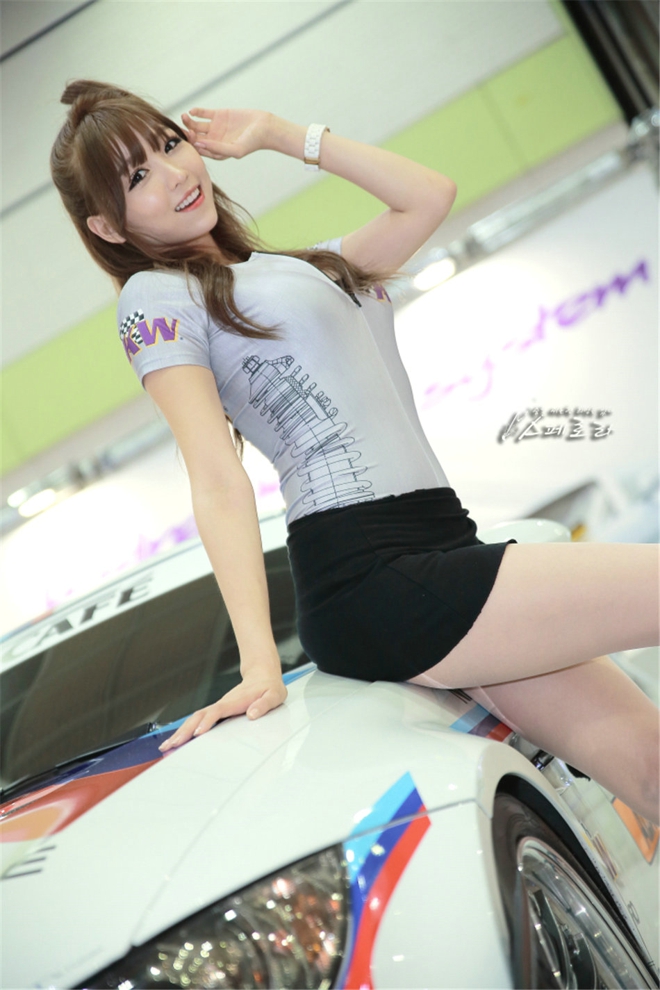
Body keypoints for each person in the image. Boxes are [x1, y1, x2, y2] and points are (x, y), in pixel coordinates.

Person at [51, 80, 659, 824]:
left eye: (170, 144)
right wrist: (258, 662)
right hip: (372, 570)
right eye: (139, 176)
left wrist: (279, 133)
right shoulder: (154, 297)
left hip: (437, 543)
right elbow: (215, 476)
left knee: (650, 769)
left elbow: (428, 196)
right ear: (107, 226)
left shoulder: (305, 269)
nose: (175, 173)